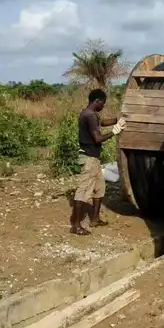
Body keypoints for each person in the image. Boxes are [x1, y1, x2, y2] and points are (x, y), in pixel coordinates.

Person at [71, 89, 126, 236]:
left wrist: (118, 120)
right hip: (89, 159)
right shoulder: (89, 116)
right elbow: (97, 138)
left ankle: (95, 219)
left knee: (99, 189)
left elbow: (102, 122)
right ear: (98, 101)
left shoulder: (90, 113)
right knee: (83, 192)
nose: (103, 105)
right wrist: (114, 132)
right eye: (103, 103)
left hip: (94, 159)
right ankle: (75, 225)